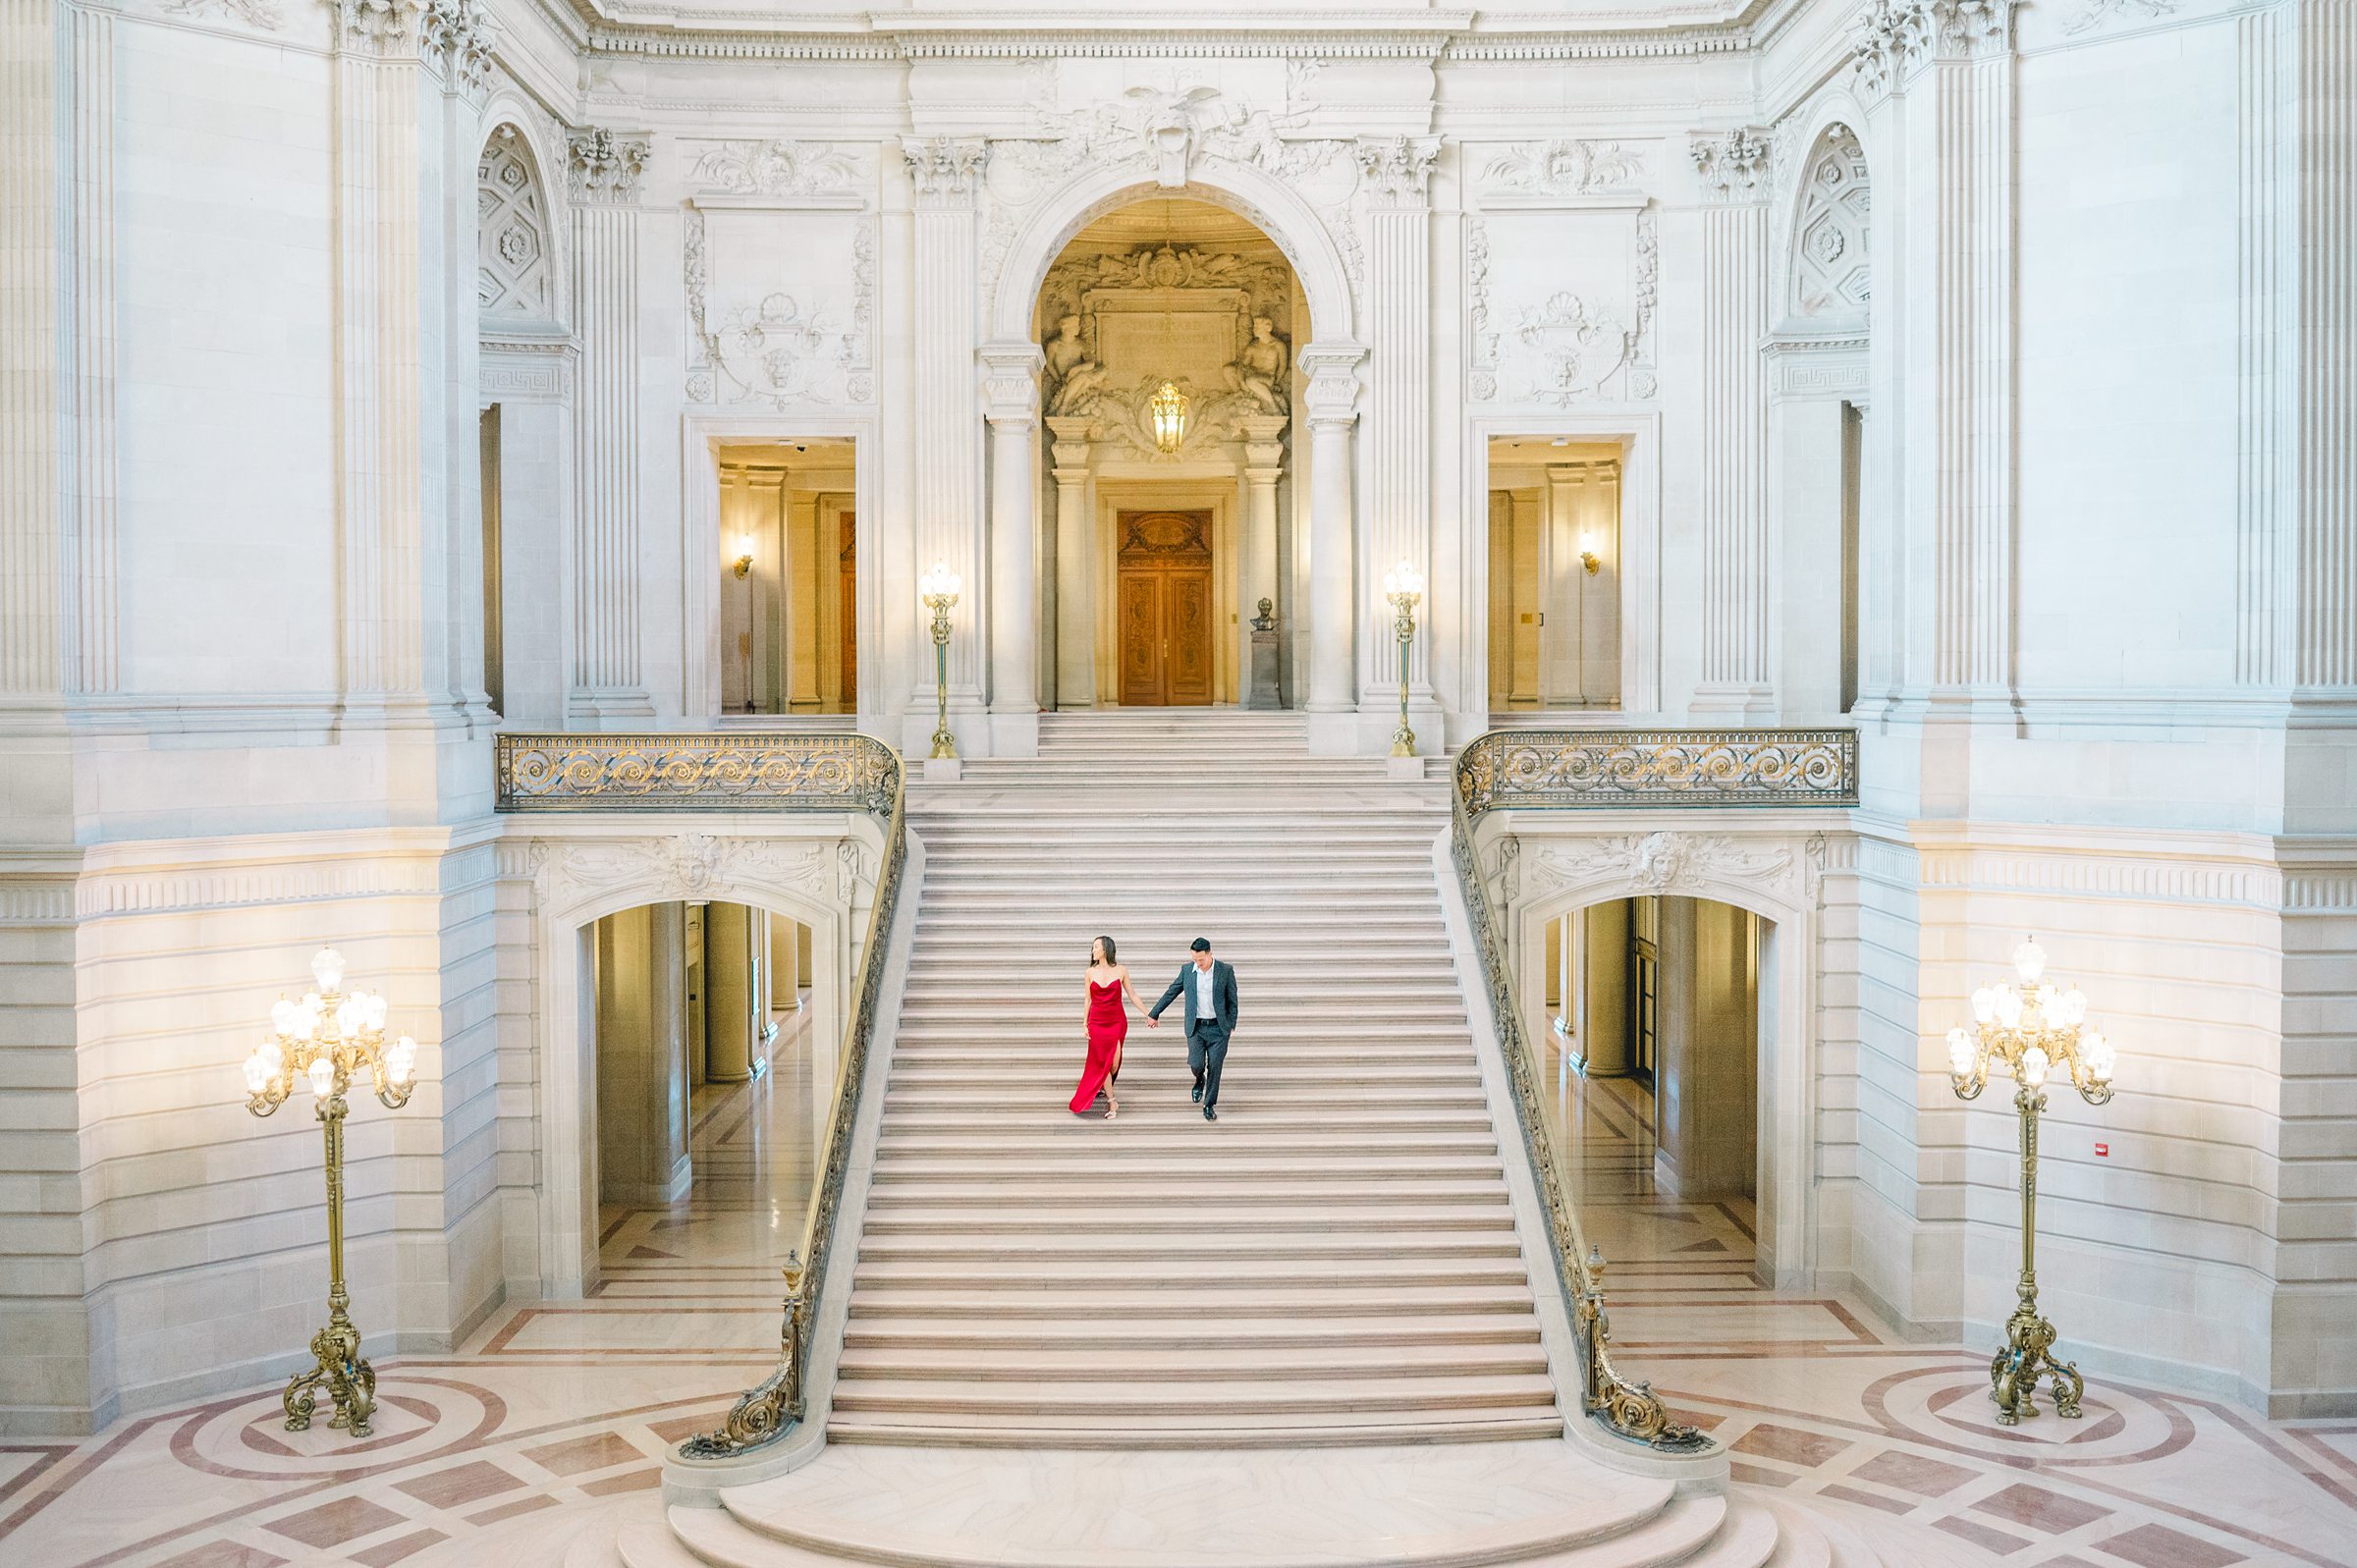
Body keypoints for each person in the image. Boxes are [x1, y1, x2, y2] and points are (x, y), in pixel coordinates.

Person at [1146, 938, 1238, 1120]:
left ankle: (1209, 1104)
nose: (1198, 963)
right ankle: (1199, 1079)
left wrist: (1231, 1024)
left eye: (1201, 960)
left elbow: (1233, 1001)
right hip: (1196, 1027)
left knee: (1215, 1066)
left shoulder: (1225, 971)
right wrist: (1154, 1013)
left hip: (1219, 1029)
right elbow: (1171, 992)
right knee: (1196, 1064)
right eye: (1195, 959)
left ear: (1210, 954)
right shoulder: (1187, 971)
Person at [1069, 936, 1144, 1118]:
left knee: (1114, 1063)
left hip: (1117, 1022)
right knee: (1103, 1061)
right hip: (1097, 1023)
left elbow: (1132, 994)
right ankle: (1112, 1102)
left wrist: (1148, 1013)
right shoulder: (1089, 972)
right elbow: (1088, 999)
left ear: (1106, 949)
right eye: (1093, 947)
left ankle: (1102, 1084)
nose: (1093, 950)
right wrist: (1085, 1023)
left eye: (1096, 947)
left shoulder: (1121, 970)